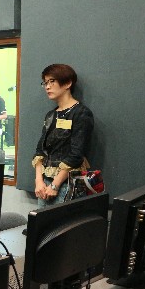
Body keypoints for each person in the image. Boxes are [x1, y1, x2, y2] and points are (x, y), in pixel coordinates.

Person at [33, 64, 94, 207]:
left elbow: (76, 154)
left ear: (67, 83)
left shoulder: (81, 113)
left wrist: (55, 185)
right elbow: (40, 150)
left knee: (61, 227)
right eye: (45, 83)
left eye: (52, 81)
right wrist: (38, 181)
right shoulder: (50, 115)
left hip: (66, 183)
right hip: (44, 183)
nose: (47, 87)